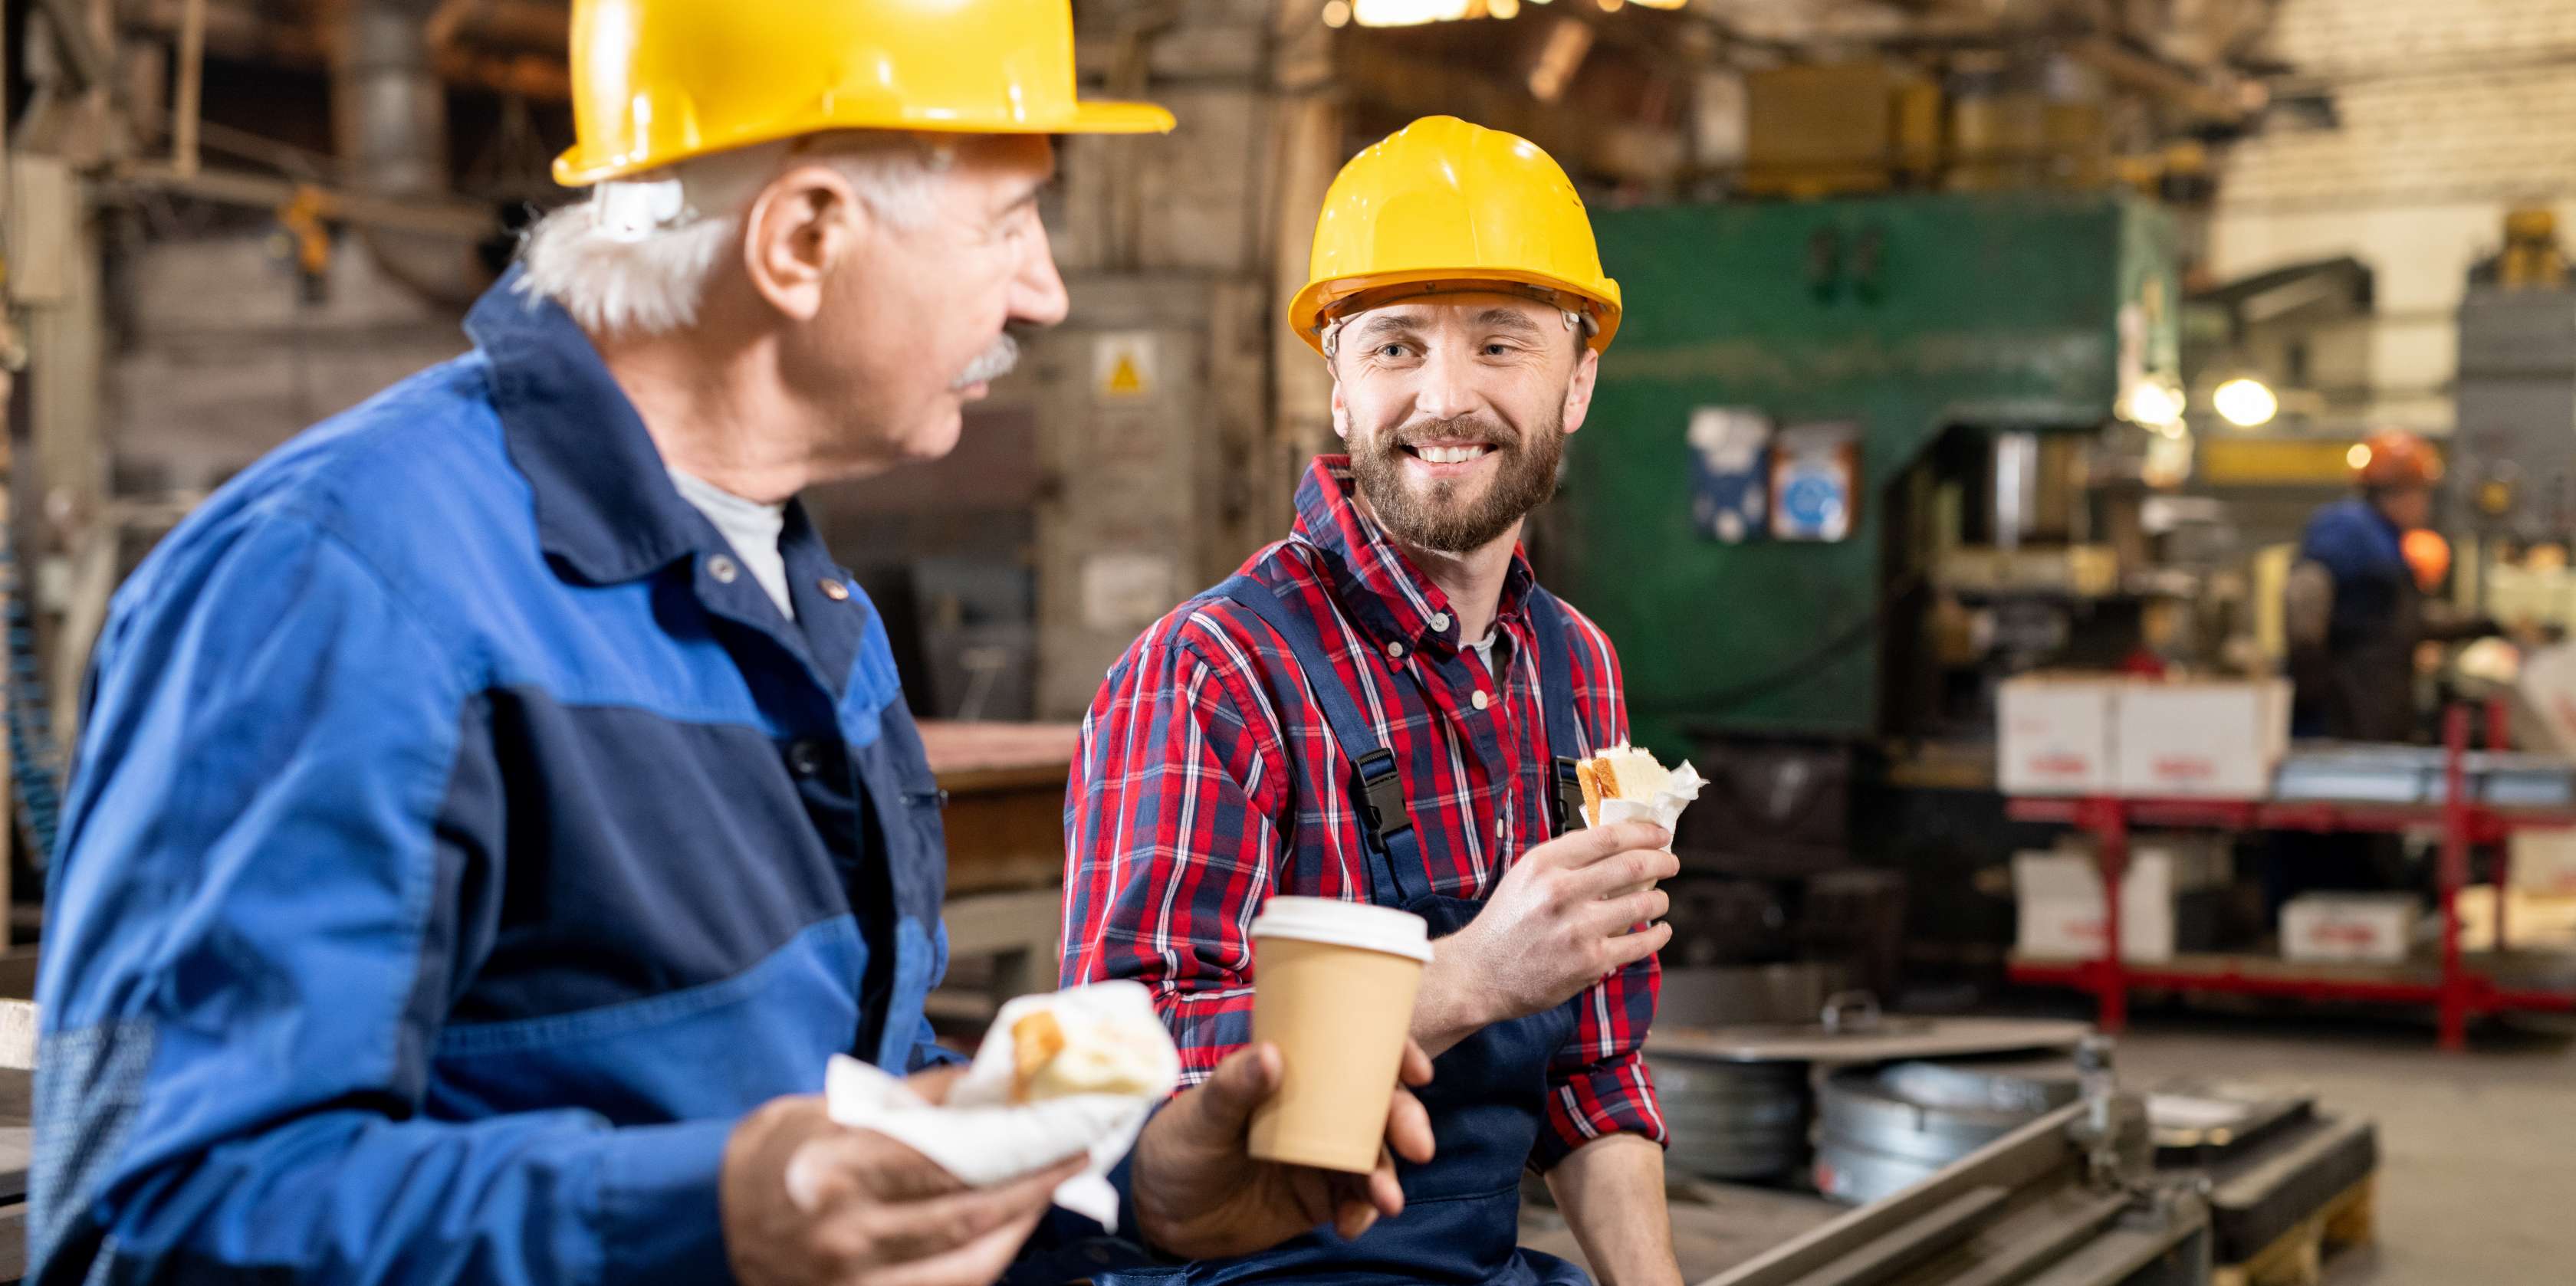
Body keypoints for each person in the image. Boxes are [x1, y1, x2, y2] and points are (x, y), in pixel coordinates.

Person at [30, 4, 1433, 1284]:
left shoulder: (814, 613)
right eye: (1010, 220)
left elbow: (854, 1100)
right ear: (802, 237)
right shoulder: (339, 587)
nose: (1045, 290)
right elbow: (161, 1222)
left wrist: (1132, 1184)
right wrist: (710, 1211)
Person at [1061, 117, 1682, 1286]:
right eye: (1395, 348)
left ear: (1580, 380)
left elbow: (1593, 1066)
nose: (1444, 397)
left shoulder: (1576, 670)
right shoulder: (1214, 671)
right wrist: (1466, 978)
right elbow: (1113, 1078)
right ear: (1338, 387)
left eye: (1501, 346)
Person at [2285, 428, 2495, 742]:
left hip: (2368, 710)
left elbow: (2393, 619)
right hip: (2344, 716)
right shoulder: (2349, 529)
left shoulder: (2383, 537)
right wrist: (2309, 680)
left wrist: (2475, 624)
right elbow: (2306, 595)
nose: (2427, 505)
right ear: (2403, 491)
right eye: (2425, 493)